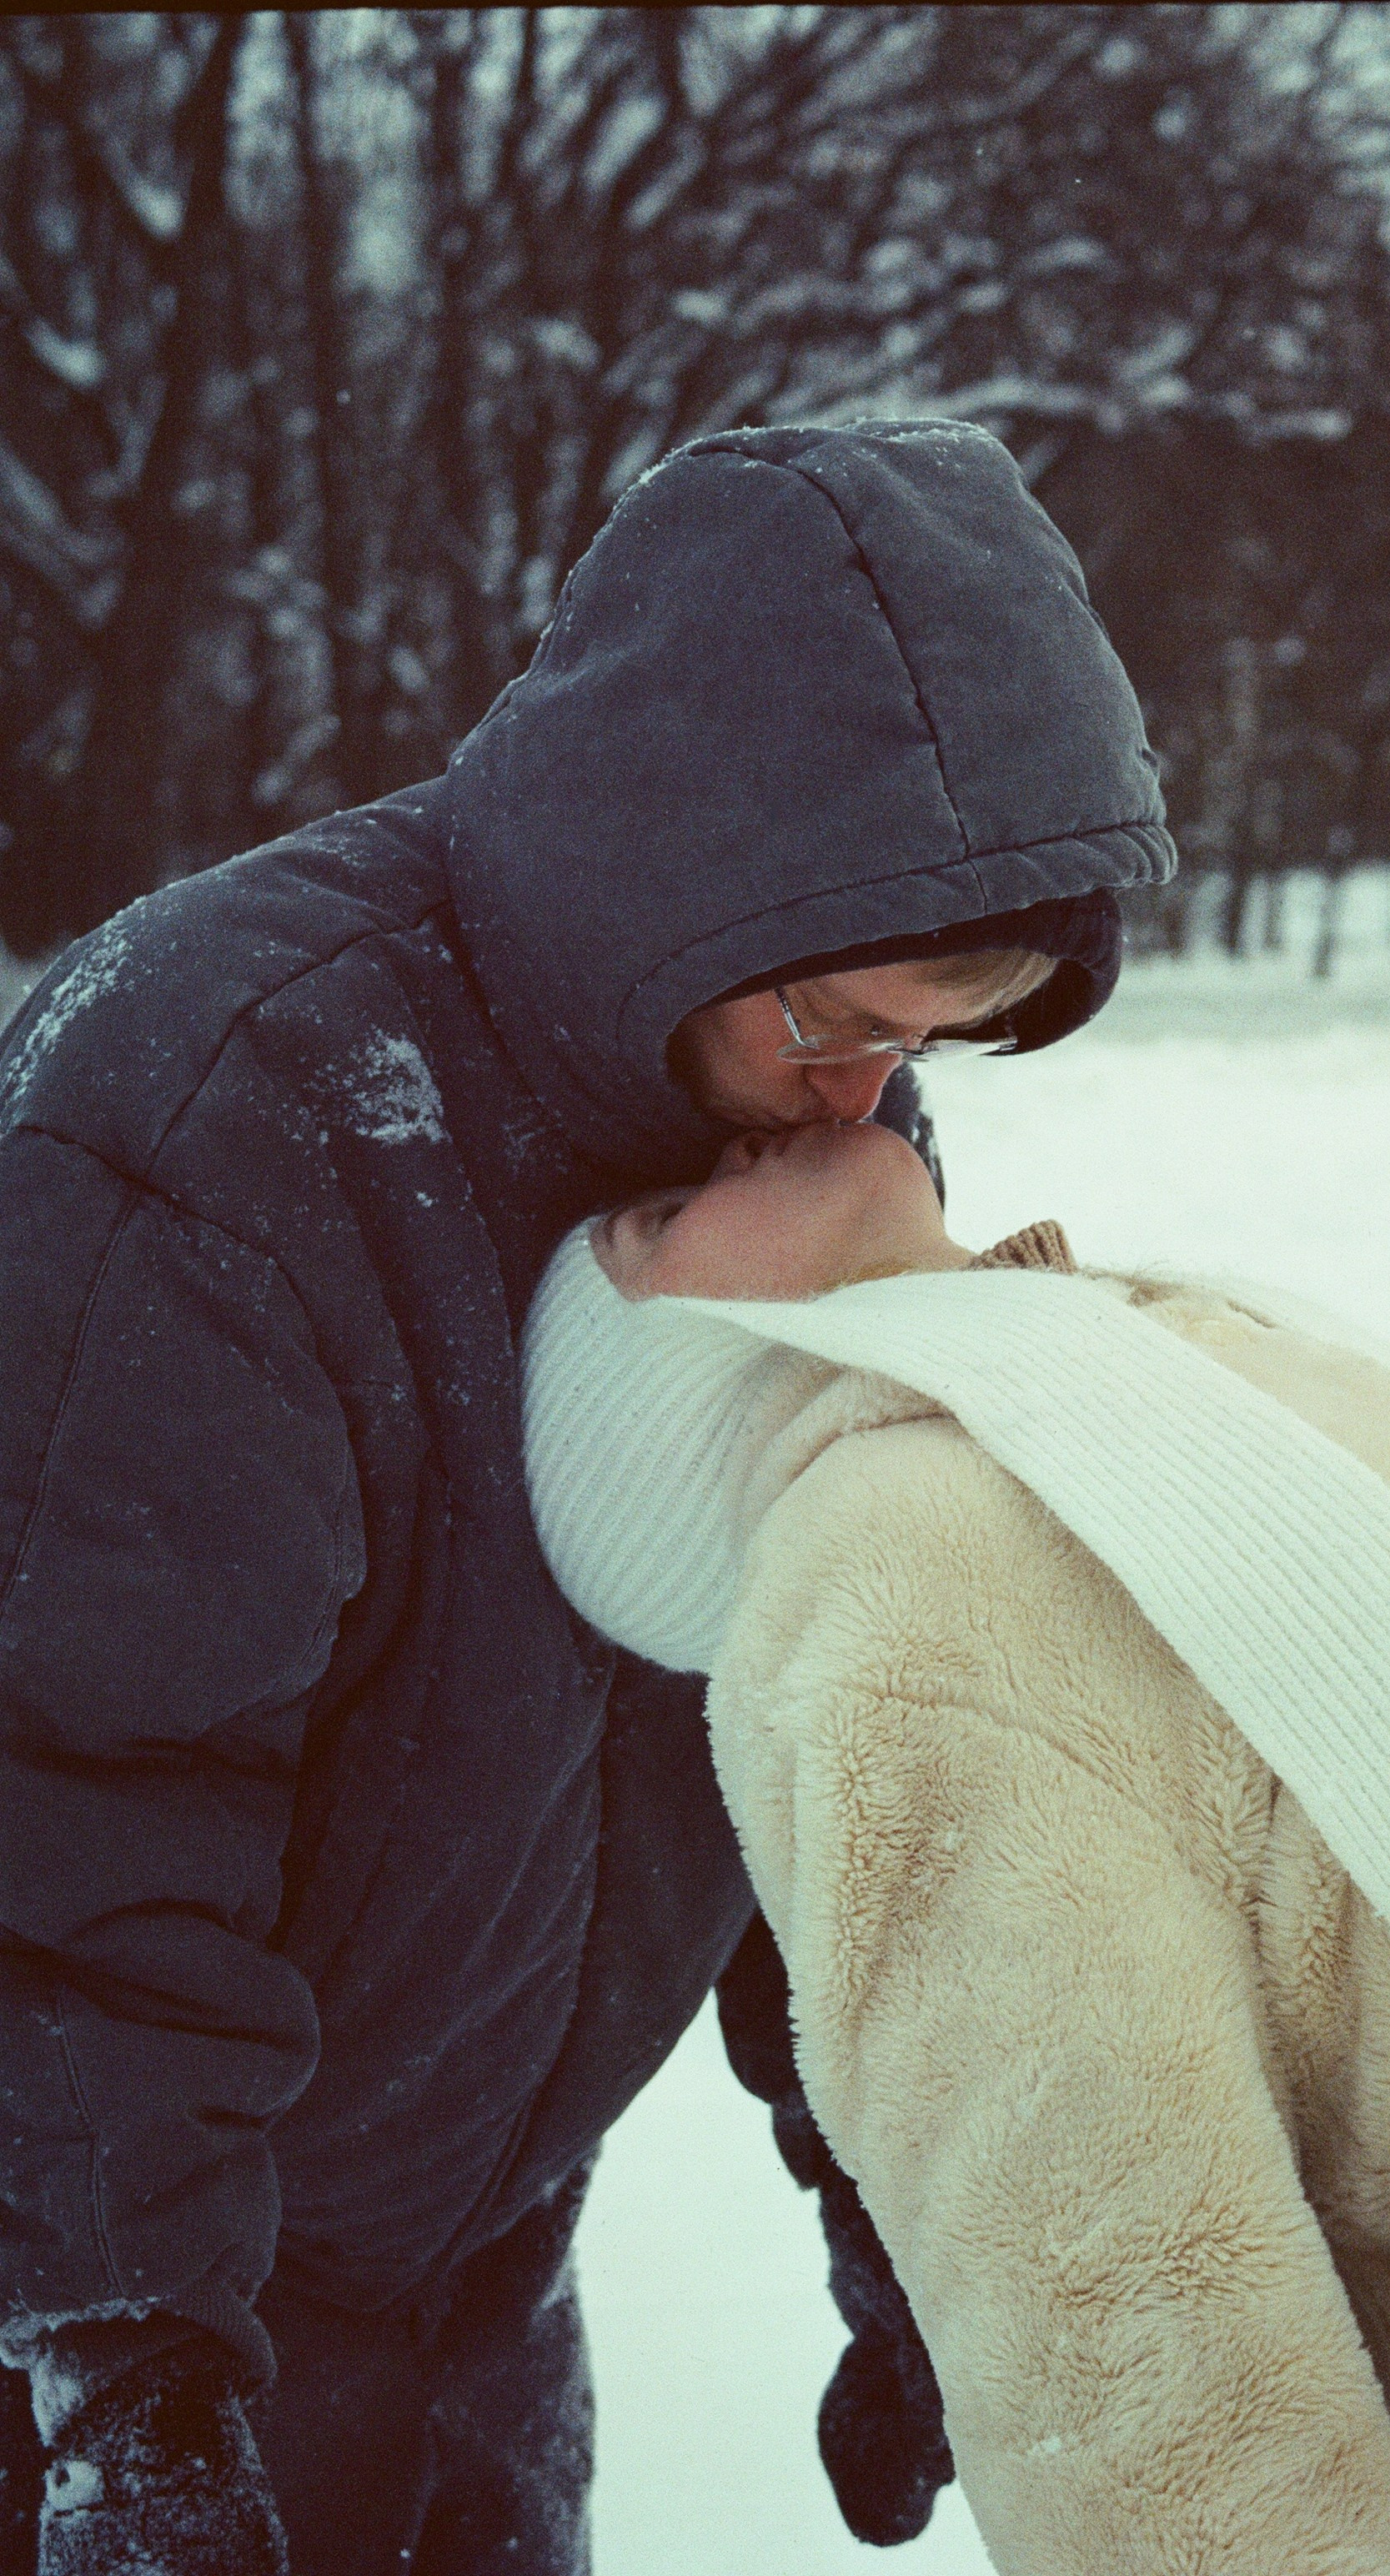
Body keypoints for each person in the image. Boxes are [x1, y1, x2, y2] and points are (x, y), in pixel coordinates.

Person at [0, 419, 1174, 2574]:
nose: (874, 1092)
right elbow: (73, 1813)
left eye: (936, 1035)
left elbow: (830, 1694)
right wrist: (130, 2403)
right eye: (842, 1013)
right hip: (106, 2334)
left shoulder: (807, 1121)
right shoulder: (221, 1128)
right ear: (686, 877)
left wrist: (899, 2194)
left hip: (486, 2299)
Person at [523, 1123, 1390, 2575]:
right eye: (662, 1209)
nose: (736, 1144)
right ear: (665, 1402)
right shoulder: (895, 1581)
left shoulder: (1097, 1372)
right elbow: (1148, 2376)